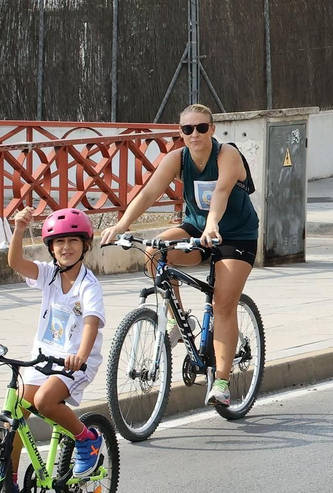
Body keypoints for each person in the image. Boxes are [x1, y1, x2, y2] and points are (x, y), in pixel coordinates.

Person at [99, 104, 259, 407]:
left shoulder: (227, 155)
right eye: (188, 129)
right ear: (181, 133)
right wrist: (121, 226)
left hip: (236, 235)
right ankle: (178, 319)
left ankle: (221, 382)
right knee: (154, 253)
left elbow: (221, 192)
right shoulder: (177, 159)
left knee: (223, 303)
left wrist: (213, 224)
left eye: (201, 128)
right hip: (197, 229)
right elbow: (149, 193)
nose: (194, 134)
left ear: (212, 129)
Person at [0, 207, 106, 493]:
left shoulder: (88, 285)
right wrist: (19, 228)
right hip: (44, 358)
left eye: (73, 241)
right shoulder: (49, 274)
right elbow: (15, 262)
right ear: (51, 248)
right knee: (15, 413)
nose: (66, 248)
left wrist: (80, 356)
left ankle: (87, 439)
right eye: (59, 242)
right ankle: (8, 480)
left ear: (85, 245)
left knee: (44, 400)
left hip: (75, 361)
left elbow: (91, 322)